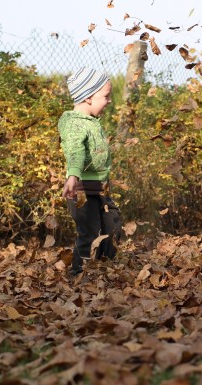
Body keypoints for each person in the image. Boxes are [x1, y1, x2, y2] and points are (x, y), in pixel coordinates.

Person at [58, 66, 123, 276]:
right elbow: (75, 152)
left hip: (98, 187)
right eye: (106, 96)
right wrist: (72, 176)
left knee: (111, 224)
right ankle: (79, 274)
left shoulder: (90, 122)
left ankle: (103, 266)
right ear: (88, 98)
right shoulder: (75, 125)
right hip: (81, 188)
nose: (109, 100)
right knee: (88, 233)